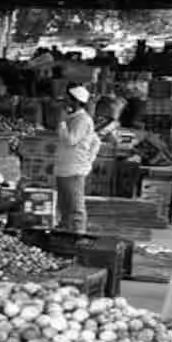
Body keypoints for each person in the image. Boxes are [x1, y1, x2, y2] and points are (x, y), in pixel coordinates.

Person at [55, 85, 100, 233]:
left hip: (73, 169)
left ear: (75, 101)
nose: (64, 102)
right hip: (65, 168)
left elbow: (71, 140)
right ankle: (66, 232)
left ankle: (78, 233)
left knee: (75, 207)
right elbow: (95, 141)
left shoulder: (82, 120)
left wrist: (62, 122)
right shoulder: (73, 118)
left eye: (67, 99)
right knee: (65, 206)